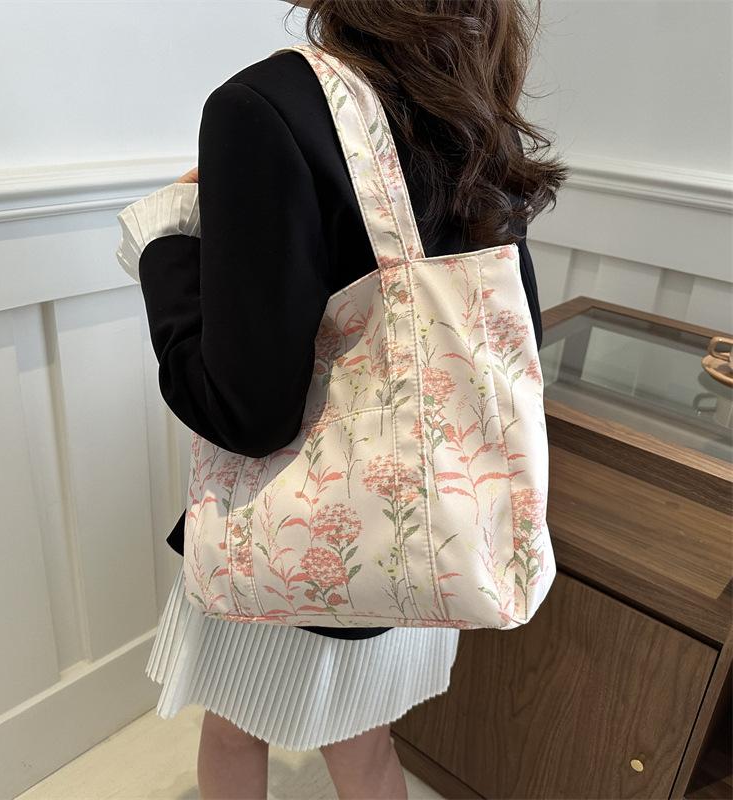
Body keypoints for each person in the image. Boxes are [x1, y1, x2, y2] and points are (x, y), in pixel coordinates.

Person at [115, 1, 566, 798]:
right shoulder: (465, 105)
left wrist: (164, 244)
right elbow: (511, 337)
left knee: (235, 729)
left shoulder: (264, 107)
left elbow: (243, 414)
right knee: (366, 751)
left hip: (298, 545)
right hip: (436, 535)